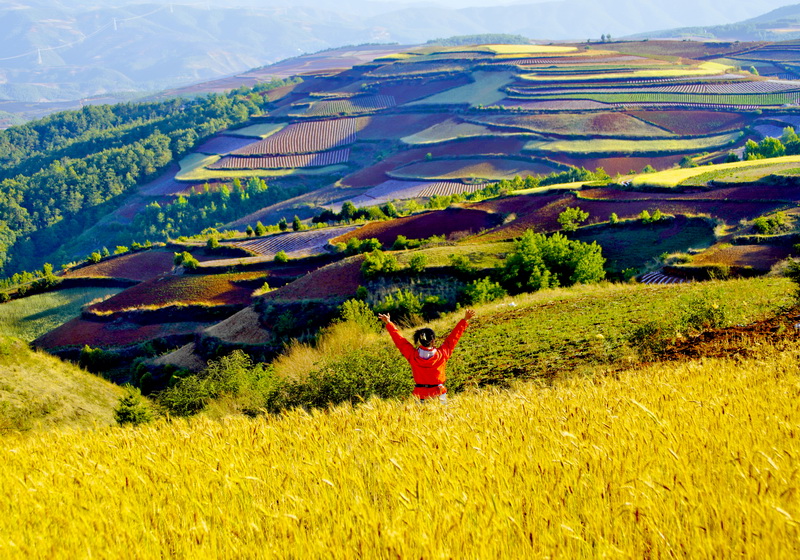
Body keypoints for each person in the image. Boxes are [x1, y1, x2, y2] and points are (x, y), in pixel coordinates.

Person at [378, 309, 476, 403]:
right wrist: (465, 320)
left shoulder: (412, 355)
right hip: (439, 393)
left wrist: (389, 323)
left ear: (419, 340)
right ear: (433, 340)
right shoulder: (442, 354)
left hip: (419, 395)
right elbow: (453, 337)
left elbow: (400, 340)